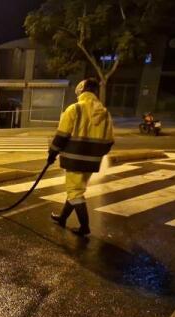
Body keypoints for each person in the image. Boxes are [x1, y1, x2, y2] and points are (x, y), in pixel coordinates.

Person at [47, 78, 115, 236]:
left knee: (75, 192)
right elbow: (110, 141)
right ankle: (63, 218)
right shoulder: (104, 113)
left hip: (73, 160)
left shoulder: (74, 109)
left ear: (81, 90)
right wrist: (96, 154)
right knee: (76, 189)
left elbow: (61, 135)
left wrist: (52, 154)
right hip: (91, 163)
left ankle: (85, 227)